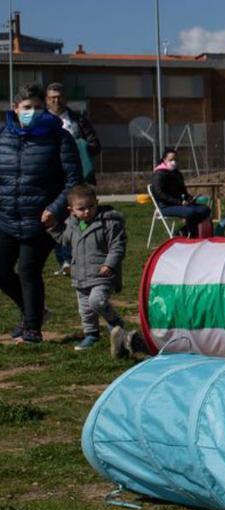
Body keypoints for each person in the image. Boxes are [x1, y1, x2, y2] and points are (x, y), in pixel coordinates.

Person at [0, 83, 82, 344]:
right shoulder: (3, 136)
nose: (32, 112)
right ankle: (33, 312)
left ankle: (32, 329)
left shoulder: (59, 137)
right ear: (15, 109)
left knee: (28, 270)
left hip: (41, 219)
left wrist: (55, 209)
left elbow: (73, 179)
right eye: (26, 108)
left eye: (37, 107)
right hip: (7, 217)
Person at [47, 185, 129, 354]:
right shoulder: (72, 225)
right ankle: (91, 334)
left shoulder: (109, 223)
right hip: (80, 275)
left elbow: (117, 247)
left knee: (96, 301)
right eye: (81, 209)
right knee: (85, 309)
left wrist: (109, 264)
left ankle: (115, 322)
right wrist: (52, 227)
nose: (86, 212)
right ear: (71, 210)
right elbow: (64, 239)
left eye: (91, 206)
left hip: (102, 274)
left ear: (97, 203)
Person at [46, 83, 102, 276]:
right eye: (52, 97)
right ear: (47, 99)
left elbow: (95, 145)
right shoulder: (41, 120)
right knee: (57, 218)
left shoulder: (78, 119)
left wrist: (79, 146)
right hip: (52, 177)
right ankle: (64, 260)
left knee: (78, 217)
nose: (56, 100)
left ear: (66, 98)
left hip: (77, 177)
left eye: (60, 96)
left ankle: (83, 256)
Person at [150, 148, 210, 238]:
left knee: (205, 210)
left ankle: (185, 232)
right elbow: (160, 193)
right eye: (171, 160)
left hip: (180, 204)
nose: (174, 162)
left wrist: (189, 198)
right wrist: (179, 202)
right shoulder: (159, 174)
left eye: (175, 160)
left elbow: (182, 190)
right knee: (191, 212)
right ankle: (190, 234)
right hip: (166, 206)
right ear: (164, 160)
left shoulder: (177, 173)